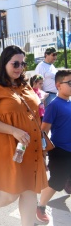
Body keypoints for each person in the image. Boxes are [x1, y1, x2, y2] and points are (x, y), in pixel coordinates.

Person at [0, 45, 48, 226]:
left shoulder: (25, 84)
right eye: (15, 63)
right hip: (7, 147)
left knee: (30, 190)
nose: (20, 68)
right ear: (4, 62)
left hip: (30, 146)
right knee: (10, 195)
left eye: (23, 63)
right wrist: (13, 130)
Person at [35, 70, 71, 224]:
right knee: (56, 181)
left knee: (62, 179)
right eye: (69, 83)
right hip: (60, 151)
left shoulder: (69, 102)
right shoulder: (54, 105)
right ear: (58, 85)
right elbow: (43, 131)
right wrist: (42, 155)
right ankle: (40, 206)